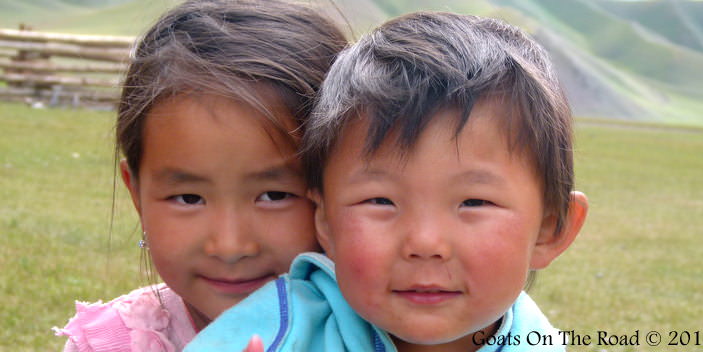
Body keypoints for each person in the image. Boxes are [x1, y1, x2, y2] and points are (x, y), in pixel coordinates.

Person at [186, 11, 589, 352]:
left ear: (551, 228)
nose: (425, 243)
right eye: (380, 201)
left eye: (474, 202)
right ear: (324, 220)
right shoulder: (277, 331)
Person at [52, 0, 346, 350]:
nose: (230, 246)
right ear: (137, 194)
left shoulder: (386, 334)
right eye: (189, 198)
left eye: (274, 195)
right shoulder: (111, 343)